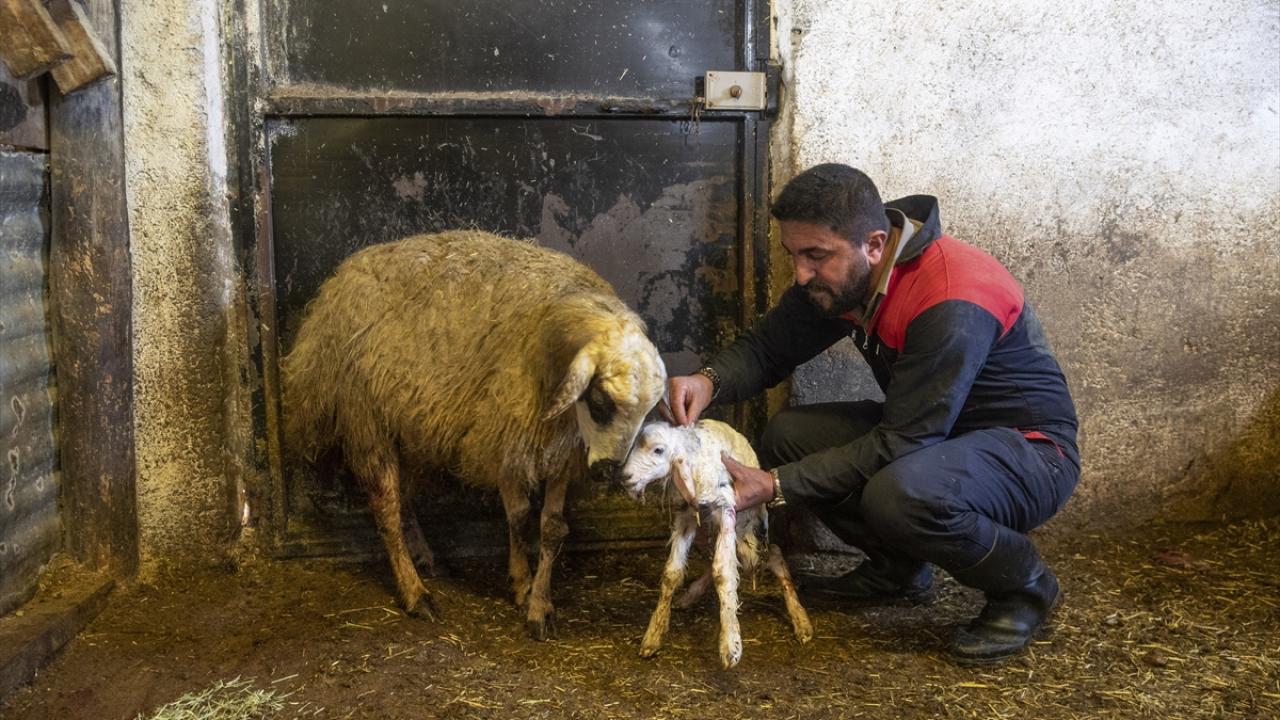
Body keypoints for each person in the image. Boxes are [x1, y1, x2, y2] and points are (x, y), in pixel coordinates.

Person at [665, 163, 1080, 664]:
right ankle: (897, 570)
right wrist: (709, 379)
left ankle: (1027, 586)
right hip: (939, 439)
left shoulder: (950, 296)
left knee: (901, 493)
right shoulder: (849, 276)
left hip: (1031, 451)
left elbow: (903, 442)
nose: (800, 274)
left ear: (875, 245)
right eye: (793, 255)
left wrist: (777, 485)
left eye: (815, 256)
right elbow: (772, 347)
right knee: (791, 435)